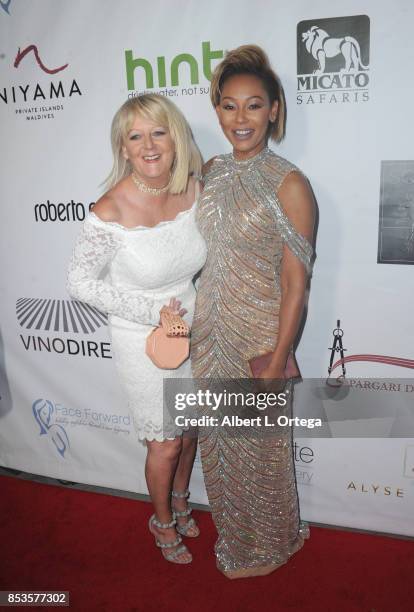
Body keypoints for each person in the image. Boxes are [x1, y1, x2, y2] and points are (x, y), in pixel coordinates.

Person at [191, 45, 315, 578]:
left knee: (260, 456)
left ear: (275, 110)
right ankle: (235, 539)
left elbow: (296, 283)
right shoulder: (211, 171)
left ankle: (268, 545)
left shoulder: (291, 184)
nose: (240, 119)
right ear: (217, 110)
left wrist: (278, 356)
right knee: (221, 453)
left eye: (254, 106)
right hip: (207, 336)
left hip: (258, 341)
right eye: (229, 106)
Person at [67, 94, 207, 564]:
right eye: (135, 136)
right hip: (141, 339)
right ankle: (161, 521)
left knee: (189, 432)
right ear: (123, 149)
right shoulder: (108, 209)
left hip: (192, 330)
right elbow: (79, 282)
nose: (149, 145)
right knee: (165, 442)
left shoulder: (194, 188)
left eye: (158, 132)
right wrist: (150, 312)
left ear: (175, 138)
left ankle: (184, 499)